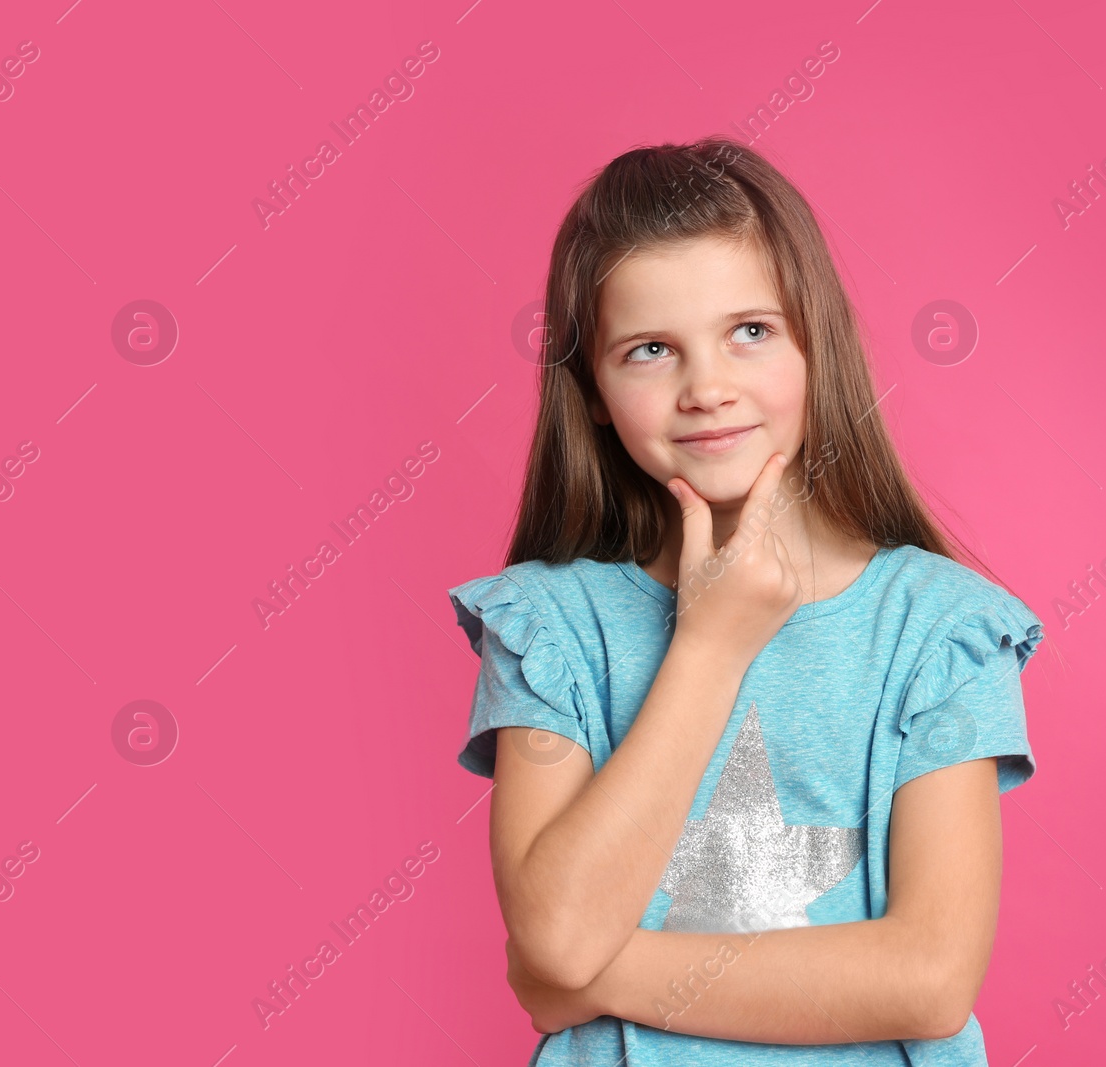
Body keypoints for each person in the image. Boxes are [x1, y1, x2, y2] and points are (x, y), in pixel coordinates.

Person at [447, 137, 1045, 1066]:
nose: (708, 388)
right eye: (650, 350)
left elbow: (929, 980)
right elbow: (557, 934)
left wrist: (595, 977)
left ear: (816, 341)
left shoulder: (940, 630)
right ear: (596, 392)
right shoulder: (545, 629)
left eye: (751, 331)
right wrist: (710, 646)